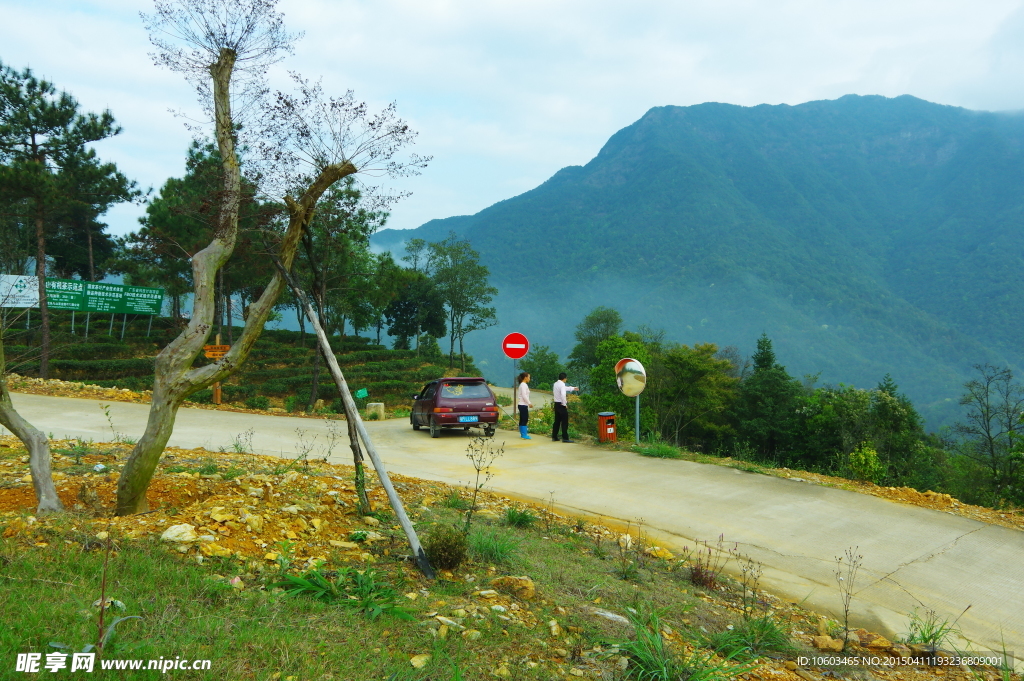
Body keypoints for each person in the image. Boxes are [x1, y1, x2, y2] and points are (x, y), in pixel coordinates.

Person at [551, 372, 579, 442]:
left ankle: (554, 436)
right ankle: (565, 438)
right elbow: (563, 394)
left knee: (557, 421)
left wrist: (572, 388)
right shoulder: (562, 385)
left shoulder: (556, 384)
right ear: (564, 378)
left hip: (556, 404)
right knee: (564, 422)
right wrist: (564, 404)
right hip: (561, 405)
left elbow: (564, 388)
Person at [515, 371, 534, 439]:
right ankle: (524, 434)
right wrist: (529, 403)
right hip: (523, 404)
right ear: (525, 378)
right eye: (529, 377)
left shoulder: (523, 385)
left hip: (523, 405)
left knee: (522, 419)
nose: (529, 378)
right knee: (524, 419)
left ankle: (523, 433)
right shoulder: (523, 385)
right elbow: (524, 395)